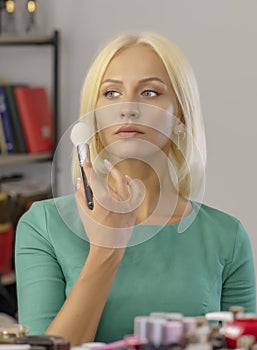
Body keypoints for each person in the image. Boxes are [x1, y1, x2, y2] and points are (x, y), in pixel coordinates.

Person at [15, 32, 256, 346]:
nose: (128, 107)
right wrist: (106, 250)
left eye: (150, 92)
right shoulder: (42, 226)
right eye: (112, 93)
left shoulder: (227, 236)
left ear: (181, 117)